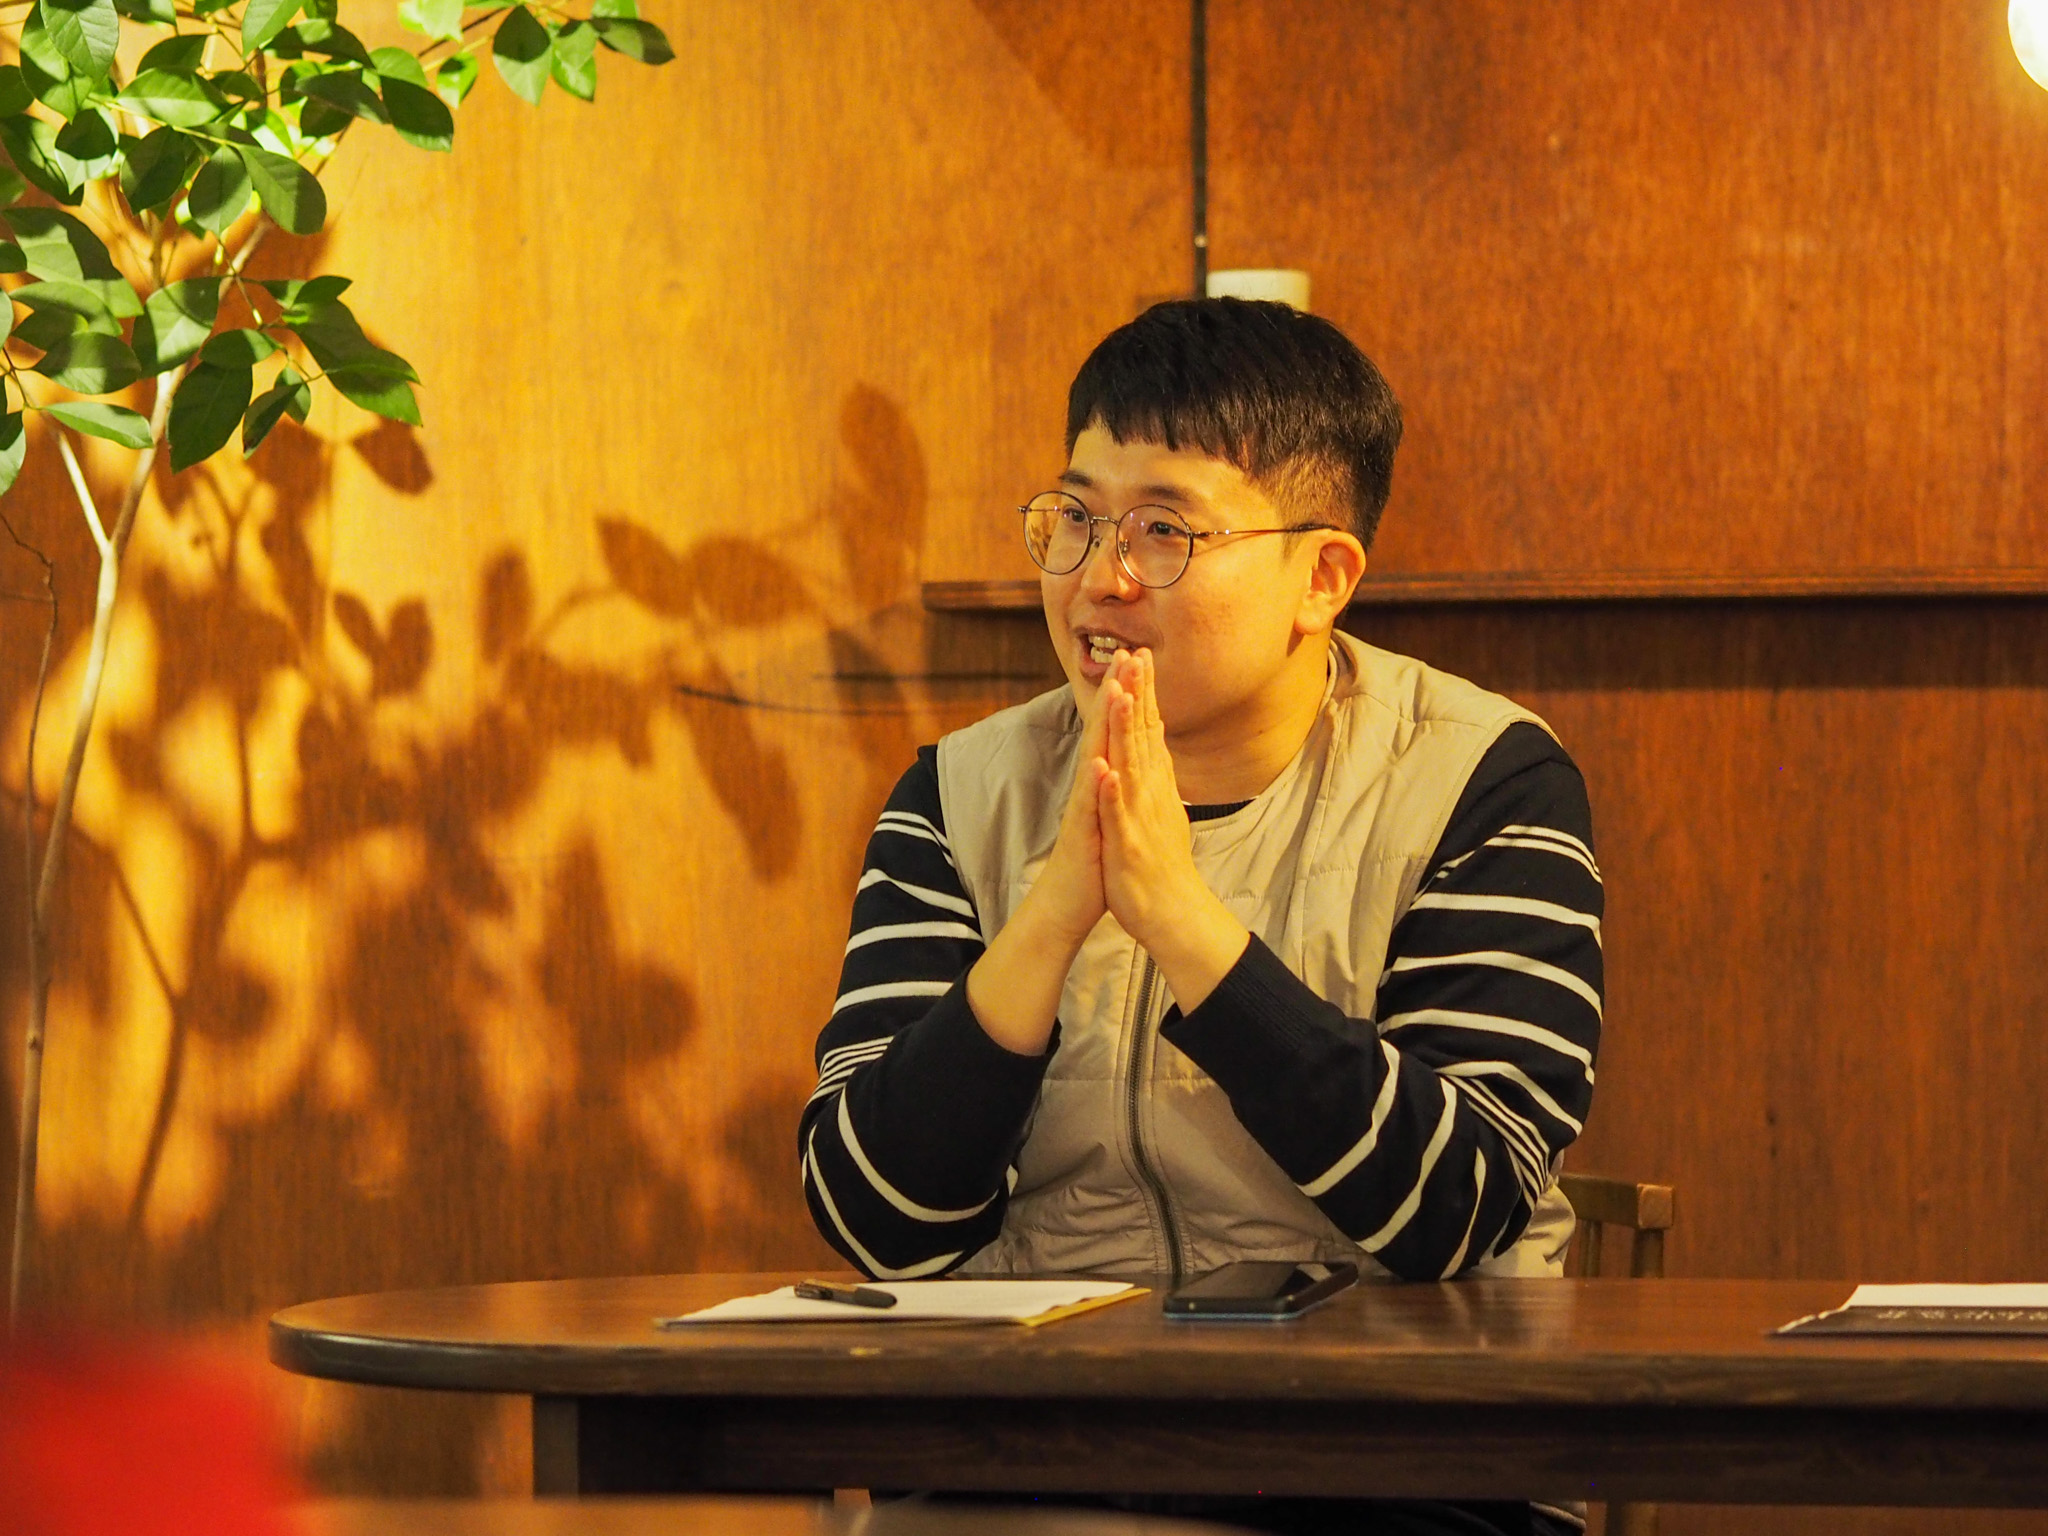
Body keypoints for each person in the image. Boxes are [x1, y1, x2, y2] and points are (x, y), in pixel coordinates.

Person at [799, 297, 1602, 1536]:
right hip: (1032, 1451)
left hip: (1395, 1460)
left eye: (1163, 531)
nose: (1097, 578)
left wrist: (1179, 917)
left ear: (1320, 578)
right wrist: (1050, 917)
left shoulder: (1479, 780)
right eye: (1075, 519)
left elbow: (1457, 1203)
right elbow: (876, 1224)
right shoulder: (958, 797)